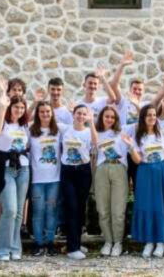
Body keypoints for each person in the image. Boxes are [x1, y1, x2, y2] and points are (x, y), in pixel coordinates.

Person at [125, 104, 164, 258]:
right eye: (148, 115)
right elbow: (137, 160)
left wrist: (161, 168)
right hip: (145, 173)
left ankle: (161, 242)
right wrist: (130, 147)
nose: (152, 118)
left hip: (162, 172)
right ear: (143, 117)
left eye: (154, 115)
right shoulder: (138, 136)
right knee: (147, 205)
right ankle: (149, 241)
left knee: (162, 205)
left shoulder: (163, 134)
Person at [0, 83, 30, 261]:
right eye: (16, 107)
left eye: (22, 107)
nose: (19, 110)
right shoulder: (3, 122)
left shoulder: (24, 127)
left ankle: (15, 247)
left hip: (23, 168)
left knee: (19, 212)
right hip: (6, 168)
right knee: (10, 210)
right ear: (10, 107)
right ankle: (2, 249)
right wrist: (2, 107)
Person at [60, 103, 97, 260]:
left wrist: (92, 121)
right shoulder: (64, 129)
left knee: (81, 208)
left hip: (83, 171)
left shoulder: (89, 131)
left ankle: (76, 243)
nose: (81, 116)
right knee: (72, 207)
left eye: (84, 114)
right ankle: (72, 248)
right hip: (68, 171)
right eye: (78, 113)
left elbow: (96, 143)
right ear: (73, 114)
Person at [93, 105, 128, 257]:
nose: (109, 119)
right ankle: (108, 241)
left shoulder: (122, 133)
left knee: (118, 210)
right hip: (101, 170)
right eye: (106, 116)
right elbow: (93, 146)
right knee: (103, 209)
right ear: (101, 117)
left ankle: (118, 242)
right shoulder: (97, 134)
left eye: (112, 117)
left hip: (119, 169)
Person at [28, 101, 61, 257]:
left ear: (52, 113)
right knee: (38, 212)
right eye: (42, 112)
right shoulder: (31, 130)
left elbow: (79, 128)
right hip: (37, 180)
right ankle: (39, 243)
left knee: (51, 211)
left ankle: (50, 242)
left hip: (54, 179)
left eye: (48, 111)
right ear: (37, 114)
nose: (45, 114)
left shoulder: (59, 130)